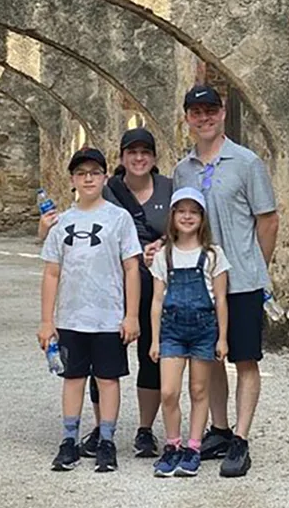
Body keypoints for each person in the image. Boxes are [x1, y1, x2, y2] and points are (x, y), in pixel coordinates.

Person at [153, 85, 279, 478]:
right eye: (196, 112)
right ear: (187, 118)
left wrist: (256, 266)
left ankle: (241, 438)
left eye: (210, 110)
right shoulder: (184, 169)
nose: (203, 118)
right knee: (210, 359)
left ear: (222, 113)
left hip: (239, 278)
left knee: (244, 358)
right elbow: (183, 220)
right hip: (198, 280)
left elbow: (268, 219)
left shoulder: (246, 162)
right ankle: (220, 430)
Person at [38, 128, 172, 459]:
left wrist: (129, 313)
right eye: (81, 174)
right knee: (77, 375)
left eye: (94, 173)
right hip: (77, 313)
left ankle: (123, 435)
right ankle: (80, 435)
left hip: (126, 302)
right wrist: (46, 319)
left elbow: (136, 262)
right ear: (72, 179)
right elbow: (52, 268)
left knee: (125, 368)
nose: (88, 179)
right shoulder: (70, 218)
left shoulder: (138, 207)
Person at [148, 187, 230, 477]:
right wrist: (155, 339)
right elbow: (157, 301)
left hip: (204, 330)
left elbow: (221, 299)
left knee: (199, 389)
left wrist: (222, 338)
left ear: (202, 217)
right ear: (172, 216)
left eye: (193, 211)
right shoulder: (164, 255)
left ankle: (193, 448)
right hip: (171, 331)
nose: (187, 216)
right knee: (169, 391)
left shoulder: (212, 255)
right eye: (181, 211)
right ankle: (173, 445)